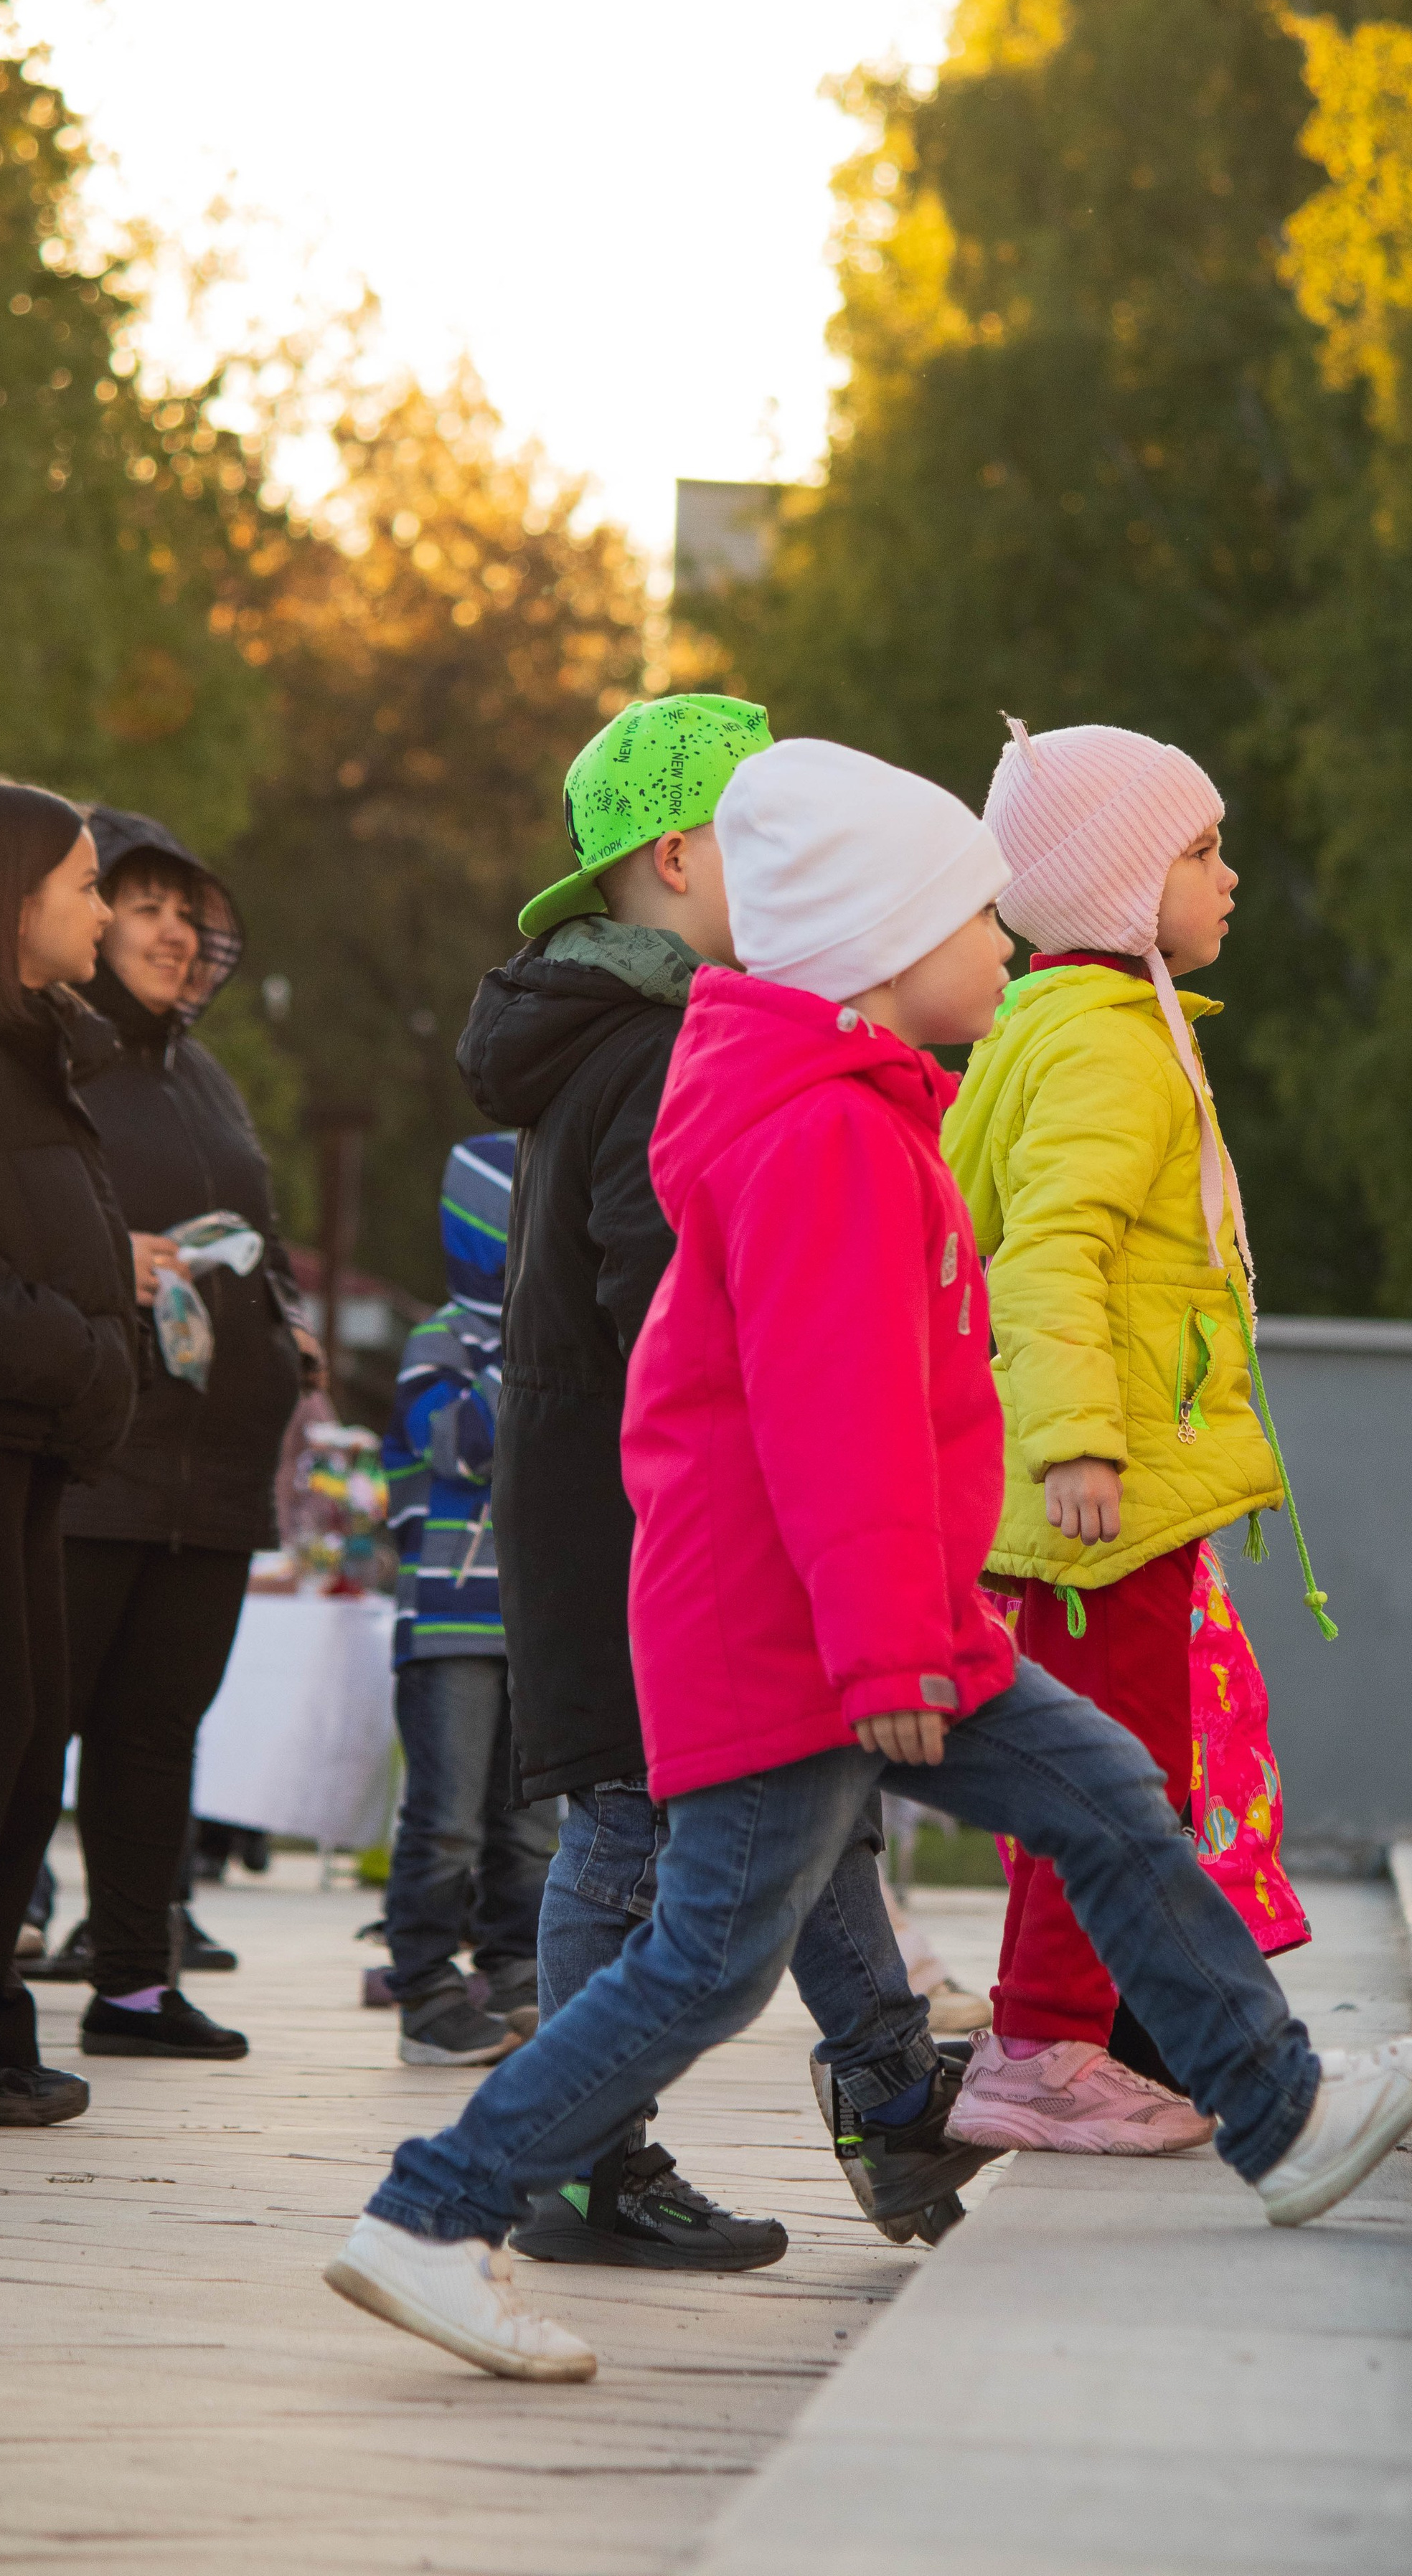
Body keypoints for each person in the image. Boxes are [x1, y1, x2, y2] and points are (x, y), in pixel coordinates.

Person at [322, 738, 1412, 2382]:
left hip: (850, 1621)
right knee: (707, 1964)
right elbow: (830, 1422)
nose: (1006, 950)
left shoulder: (852, 1113)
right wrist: (887, 1656)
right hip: (807, 1639)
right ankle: (431, 2214)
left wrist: (904, 1626)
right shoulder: (825, 1144)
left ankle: (1279, 2111)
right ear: (878, 952)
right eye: (975, 925)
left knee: (1093, 1800)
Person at [456, 694, 984, 2271]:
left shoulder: (625, 1029)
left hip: (634, 1492)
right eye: (767, 831)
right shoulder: (672, 1036)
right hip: (648, 1510)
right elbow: (662, 1297)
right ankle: (567, 2164)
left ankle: (893, 2095)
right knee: (632, 1824)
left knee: (791, 1799)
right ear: (684, 857)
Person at [940, 720, 1321, 2154]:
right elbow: (1047, 1256)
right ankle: (1042, 2048)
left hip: (1103, 1482)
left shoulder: (1064, 1024)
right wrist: (1080, 1448)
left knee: (1120, 1771)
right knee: (1118, 1778)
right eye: (1198, 851)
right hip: (1103, 1495)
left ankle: (1089, 2038)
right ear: (1112, 885)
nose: (1227, 879)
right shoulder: (1104, 1047)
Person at [46, 806, 319, 2063]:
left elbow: (254, 1236)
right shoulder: (52, 1054)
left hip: (212, 1482)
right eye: (142, 903)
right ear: (91, 919)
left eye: (185, 910)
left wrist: (291, 1330)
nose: (170, 928)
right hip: (95, 1463)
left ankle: (135, 1985)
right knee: (29, 1726)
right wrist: (115, 1258)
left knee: (159, 1738)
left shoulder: (201, 1073)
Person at [0, 783, 138, 2125]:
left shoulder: (43, 1050)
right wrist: (89, 1355)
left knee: (28, 1741)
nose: (105, 906)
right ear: (13, 898)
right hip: (0, 1428)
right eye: (88, 883)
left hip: (33, 1450)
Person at [378, 1133, 558, 2067]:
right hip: (449, 1621)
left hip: (532, 1625)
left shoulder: (561, 1341)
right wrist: (521, 1351)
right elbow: (459, 1444)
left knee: (528, 1822)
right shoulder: (439, 1342)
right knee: (444, 1816)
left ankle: (516, 1970)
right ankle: (421, 1984)